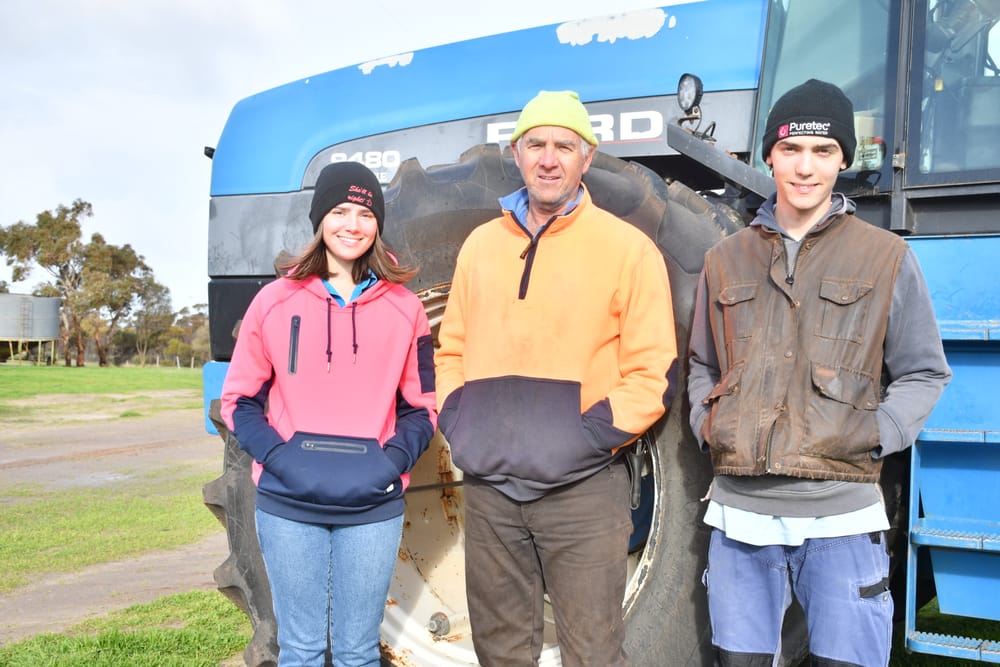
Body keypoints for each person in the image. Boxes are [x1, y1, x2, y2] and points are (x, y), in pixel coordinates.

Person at [687, 79, 952, 667]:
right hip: (739, 518)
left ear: (843, 160)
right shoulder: (722, 260)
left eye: (824, 151)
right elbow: (703, 364)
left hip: (842, 517)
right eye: (792, 150)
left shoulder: (887, 257)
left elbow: (924, 373)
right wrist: (711, 424)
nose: (806, 168)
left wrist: (874, 433)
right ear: (770, 155)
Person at [435, 90, 677, 666]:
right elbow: (452, 350)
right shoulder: (480, 246)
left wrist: (584, 439)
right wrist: (461, 427)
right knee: (501, 653)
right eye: (536, 144)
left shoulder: (628, 250)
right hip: (492, 492)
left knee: (593, 653)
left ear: (586, 158)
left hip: (583, 491)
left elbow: (654, 373)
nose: (549, 158)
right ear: (516, 153)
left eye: (564, 146)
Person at [220, 161, 437, 667]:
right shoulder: (274, 302)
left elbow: (420, 408)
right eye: (340, 210)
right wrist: (280, 458)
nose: (352, 225)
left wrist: (389, 465)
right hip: (288, 502)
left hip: (372, 506)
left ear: (378, 224)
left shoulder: (407, 309)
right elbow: (239, 401)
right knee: (301, 648)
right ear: (320, 219)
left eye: (364, 213)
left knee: (359, 652)